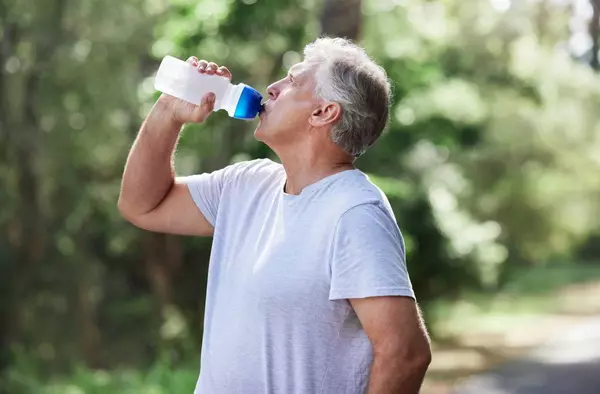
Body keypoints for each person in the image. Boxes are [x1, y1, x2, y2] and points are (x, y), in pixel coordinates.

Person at [118, 37, 431, 394]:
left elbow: (405, 353)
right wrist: (168, 112)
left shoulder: (354, 212)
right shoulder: (246, 185)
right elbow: (141, 205)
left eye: (293, 81)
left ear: (323, 112)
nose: (272, 87)